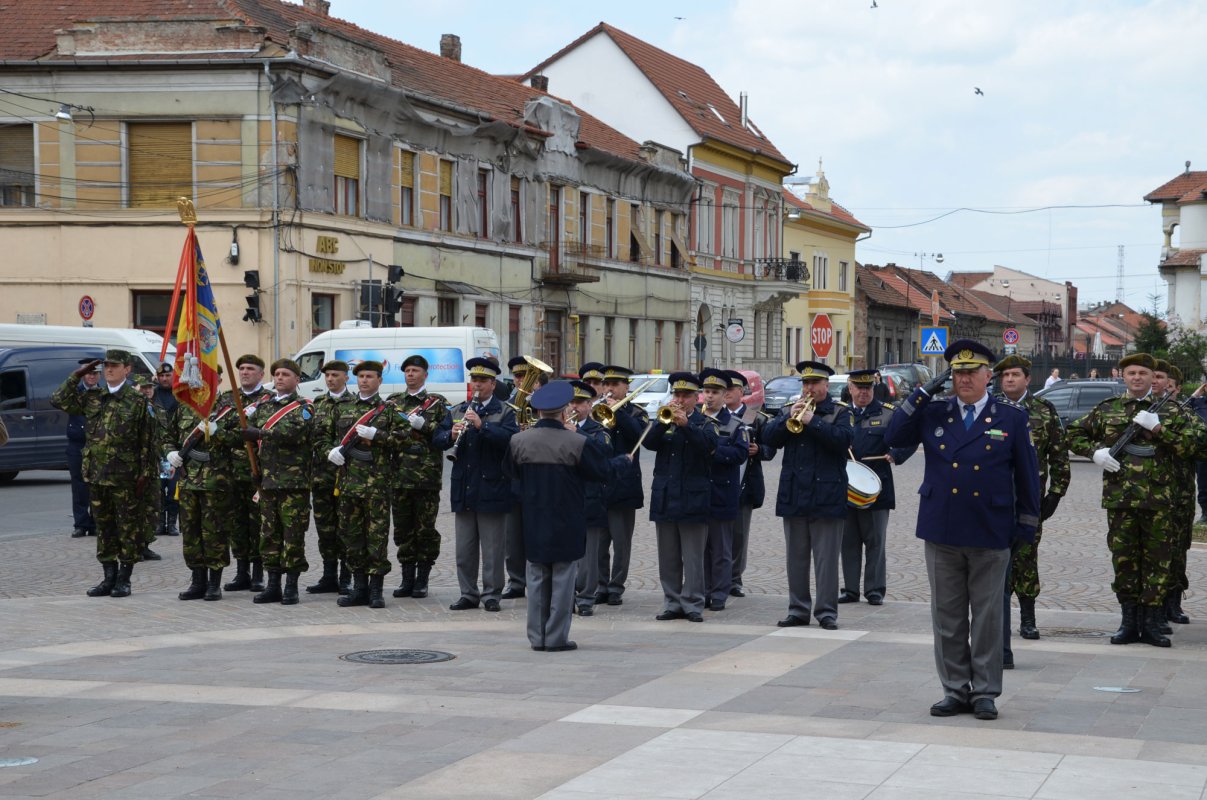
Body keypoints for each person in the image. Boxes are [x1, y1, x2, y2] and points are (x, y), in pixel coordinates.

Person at [886, 340, 1040, 722]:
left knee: (988, 618)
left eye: (972, 372)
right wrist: (921, 392)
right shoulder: (934, 412)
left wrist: (1027, 525)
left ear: (990, 376)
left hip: (991, 529)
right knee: (948, 617)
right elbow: (892, 436)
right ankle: (955, 690)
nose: (964, 378)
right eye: (957, 372)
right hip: (943, 528)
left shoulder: (1011, 418)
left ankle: (985, 692)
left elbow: (1027, 476)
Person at [1067, 353, 1206, 648]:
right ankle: (1128, 622)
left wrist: (1159, 429)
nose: (1138, 378)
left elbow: (1199, 446)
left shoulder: (1170, 411)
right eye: (1132, 373)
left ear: (1151, 376)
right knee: (1125, 562)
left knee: (1158, 563)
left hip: (1160, 502)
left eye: (1144, 373)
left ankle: (1152, 623)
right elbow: (1073, 433)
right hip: (1121, 501)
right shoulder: (1108, 409)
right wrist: (1095, 452)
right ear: (1123, 376)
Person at [506, 381, 612, 652]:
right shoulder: (577, 441)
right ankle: (556, 638)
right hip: (567, 519)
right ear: (564, 411)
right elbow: (601, 472)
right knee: (564, 581)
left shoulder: (518, 440)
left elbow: (510, 476)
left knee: (537, 577)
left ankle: (536, 637)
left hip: (533, 519)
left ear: (538, 411)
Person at [50, 350, 159, 598]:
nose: (108, 370)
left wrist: (145, 477)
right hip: (97, 474)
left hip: (126, 477)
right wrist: (76, 375)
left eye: (114, 365)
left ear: (127, 369)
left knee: (127, 529)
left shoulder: (138, 401)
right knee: (104, 528)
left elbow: (149, 443)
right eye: (106, 366)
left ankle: (124, 579)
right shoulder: (93, 397)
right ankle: (108, 577)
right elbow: (57, 400)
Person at [763, 361, 854, 630]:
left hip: (827, 495)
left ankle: (826, 612)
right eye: (805, 384)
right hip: (794, 494)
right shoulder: (788, 410)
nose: (809, 389)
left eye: (815, 383)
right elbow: (769, 439)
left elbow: (844, 441)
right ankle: (798, 609)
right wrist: (785, 418)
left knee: (826, 560)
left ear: (827, 385)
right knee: (796, 558)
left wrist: (813, 422)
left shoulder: (839, 412)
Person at [993, 355, 1069, 663]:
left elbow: (1059, 456)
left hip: (1029, 501)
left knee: (1026, 557)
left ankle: (1027, 618)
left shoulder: (1044, 411)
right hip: (994, 500)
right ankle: (997, 622)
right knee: (995, 561)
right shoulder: (991, 408)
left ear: (1027, 379)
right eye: (1005, 375)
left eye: (1015, 375)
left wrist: (1055, 495)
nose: (1009, 380)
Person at [433, 358, 519, 612]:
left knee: (493, 549)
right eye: (474, 380)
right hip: (465, 488)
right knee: (465, 549)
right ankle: (468, 593)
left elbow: (512, 441)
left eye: (482, 381)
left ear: (493, 384)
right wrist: (450, 435)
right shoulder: (457, 410)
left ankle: (491, 594)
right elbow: (437, 439)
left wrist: (484, 427)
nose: (477, 384)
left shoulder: (505, 411)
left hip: (492, 488)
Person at [644, 372, 719, 623]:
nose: (680, 399)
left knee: (693, 557)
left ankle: (693, 603)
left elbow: (708, 448)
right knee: (668, 556)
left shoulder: (706, 423)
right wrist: (661, 422)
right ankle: (671, 602)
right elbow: (650, 444)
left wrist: (687, 425)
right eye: (677, 394)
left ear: (696, 397)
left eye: (686, 395)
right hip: (665, 496)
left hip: (693, 498)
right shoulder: (665, 420)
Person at [839, 369, 915, 606]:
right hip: (845, 488)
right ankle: (850, 589)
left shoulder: (888, 414)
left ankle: (874, 590)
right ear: (850, 388)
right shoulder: (840, 413)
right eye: (859, 388)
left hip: (877, 488)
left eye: (868, 388)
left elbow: (910, 437)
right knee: (848, 542)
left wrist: (896, 454)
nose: (864, 393)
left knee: (875, 542)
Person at [242, 359, 313, 605]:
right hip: (269, 483)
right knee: (269, 535)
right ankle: (273, 584)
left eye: (285, 374)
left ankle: (291, 585)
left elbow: (294, 433)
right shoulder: (263, 407)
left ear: (297, 379)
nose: (280, 378)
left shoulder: (304, 407)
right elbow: (250, 439)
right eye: (277, 374)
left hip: (294, 484)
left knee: (293, 535)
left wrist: (260, 433)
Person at [327, 360, 396, 609]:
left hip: (376, 485)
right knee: (351, 537)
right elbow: (326, 437)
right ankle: (359, 588)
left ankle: (376, 590)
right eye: (361, 376)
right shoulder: (344, 408)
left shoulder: (388, 410)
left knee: (376, 538)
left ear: (379, 380)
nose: (364, 380)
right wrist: (330, 451)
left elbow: (404, 441)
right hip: (348, 485)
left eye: (370, 376)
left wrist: (379, 436)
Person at [386, 354, 449, 599]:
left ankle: (422, 579)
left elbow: (445, 437)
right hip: (399, 476)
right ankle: (406, 579)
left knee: (425, 530)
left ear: (425, 374)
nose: (410, 374)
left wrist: (426, 426)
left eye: (415, 370)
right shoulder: (393, 402)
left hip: (426, 477)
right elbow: (386, 432)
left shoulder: (437, 403)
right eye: (407, 371)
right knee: (403, 529)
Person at [164, 371, 231, 601]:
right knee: (190, 533)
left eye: (209, 380)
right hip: (188, 480)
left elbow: (242, 440)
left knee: (215, 533)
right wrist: (170, 451)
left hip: (216, 481)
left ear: (218, 381)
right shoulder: (185, 407)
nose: (203, 385)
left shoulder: (228, 407)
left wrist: (219, 432)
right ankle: (197, 581)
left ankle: (214, 583)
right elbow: (168, 435)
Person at [596, 365, 649, 606]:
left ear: (626, 387)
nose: (609, 389)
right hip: (599, 484)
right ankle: (600, 585)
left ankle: (616, 587)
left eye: (615, 385)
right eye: (607, 384)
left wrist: (618, 413)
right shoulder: (597, 410)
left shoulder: (637, 412)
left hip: (624, 486)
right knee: (599, 542)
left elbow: (638, 436)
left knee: (621, 542)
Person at [220, 354, 272, 592]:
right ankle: (242, 572)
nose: (244, 372)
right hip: (232, 472)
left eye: (250, 369)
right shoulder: (229, 398)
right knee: (237, 524)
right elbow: (221, 430)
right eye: (241, 369)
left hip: (258, 472)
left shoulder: (269, 400)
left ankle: (258, 572)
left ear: (261, 374)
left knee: (258, 524)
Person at [699, 368, 748, 612]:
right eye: (706, 392)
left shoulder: (736, 424)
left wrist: (713, 452)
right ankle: (703, 591)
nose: (709, 397)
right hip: (698, 493)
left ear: (723, 395)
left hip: (723, 493)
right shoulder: (696, 420)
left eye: (715, 392)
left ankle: (719, 593)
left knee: (721, 549)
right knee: (701, 549)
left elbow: (740, 454)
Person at [1153, 363, 1197, 629]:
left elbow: (1196, 446)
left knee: (1177, 551)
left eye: (1165, 382)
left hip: (1179, 495)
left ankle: (1173, 601)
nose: (1160, 385)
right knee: (1155, 553)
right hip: (1151, 495)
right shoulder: (1143, 411)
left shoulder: (1187, 416)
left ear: (1176, 388)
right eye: (1155, 378)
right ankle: (1153, 607)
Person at [723, 370, 773, 598]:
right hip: (719, 483)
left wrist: (759, 450)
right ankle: (717, 575)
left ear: (741, 392)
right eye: (725, 389)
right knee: (718, 533)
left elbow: (771, 448)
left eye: (732, 389)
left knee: (739, 534)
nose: (727, 393)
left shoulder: (756, 417)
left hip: (745, 482)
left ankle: (735, 578)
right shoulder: (714, 415)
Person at [565, 380, 612, 616]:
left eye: (580, 402)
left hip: (590, 498)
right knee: (566, 553)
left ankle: (585, 598)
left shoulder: (598, 431)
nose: (574, 407)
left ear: (590, 404)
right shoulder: (560, 427)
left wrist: (579, 433)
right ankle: (566, 595)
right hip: (566, 498)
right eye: (571, 402)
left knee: (589, 555)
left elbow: (602, 455)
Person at [307, 360, 354, 595]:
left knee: (345, 526)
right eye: (327, 375)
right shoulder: (319, 403)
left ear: (346, 377)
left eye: (335, 375)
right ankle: (328, 575)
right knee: (325, 528)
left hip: (347, 476)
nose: (330, 379)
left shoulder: (355, 403)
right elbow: (315, 436)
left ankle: (347, 576)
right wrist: (327, 451)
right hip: (322, 476)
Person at [132, 375, 164, 562]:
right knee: (133, 508)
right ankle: (132, 546)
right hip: (135, 467)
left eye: (149, 387)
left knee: (152, 508)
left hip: (153, 466)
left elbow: (163, 435)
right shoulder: (132, 409)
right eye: (142, 387)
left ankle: (145, 544)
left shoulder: (157, 409)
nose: (147, 390)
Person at [67, 359, 99, 538]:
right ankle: (80, 523)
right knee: (79, 486)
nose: (92, 376)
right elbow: (57, 398)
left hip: (96, 445)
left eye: (95, 373)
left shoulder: (103, 394)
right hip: (77, 445)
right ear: (83, 374)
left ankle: (95, 523)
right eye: (88, 373)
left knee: (96, 485)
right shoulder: (75, 393)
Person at [152, 362, 180, 537]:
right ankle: (160, 523)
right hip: (157, 449)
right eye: (161, 375)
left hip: (176, 450)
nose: (164, 378)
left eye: (167, 375)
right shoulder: (153, 395)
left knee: (173, 489)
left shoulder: (180, 396)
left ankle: (172, 524)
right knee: (159, 489)